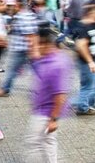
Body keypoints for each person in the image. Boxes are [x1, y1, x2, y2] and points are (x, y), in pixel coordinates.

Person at [25, 22, 71, 163]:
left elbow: (61, 95)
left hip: (45, 114)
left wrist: (53, 120)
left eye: (38, 45)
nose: (35, 48)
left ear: (46, 45)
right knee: (49, 143)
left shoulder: (55, 65)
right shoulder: (53, 58)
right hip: (44, 111)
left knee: (33, 144)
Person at [0, 0, 38, 97]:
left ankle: (5, 90)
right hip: (23, 48)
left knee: (11, 70)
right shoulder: (29, 15)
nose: (11, 7)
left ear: (18, 6)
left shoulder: (23, 17)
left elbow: (30, 35)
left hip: (20, 49)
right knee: (36, 70)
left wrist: (33, 50)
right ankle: (48, 88)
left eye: (13, 6)